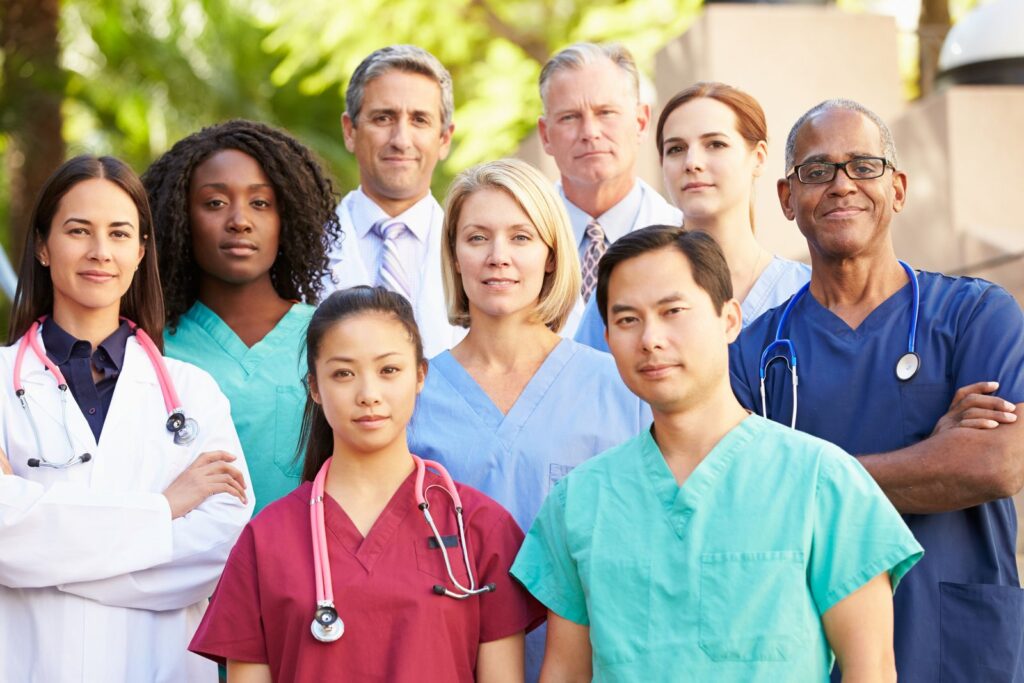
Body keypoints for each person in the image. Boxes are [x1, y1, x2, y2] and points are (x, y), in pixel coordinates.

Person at [512, 226, 923, 681]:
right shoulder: (579, 503)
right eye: (628, 320)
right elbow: (564, 673)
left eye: (673, 311)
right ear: (607, 338)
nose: (650, 339)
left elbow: (872, 670)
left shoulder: (823, 483)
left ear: (730, 320)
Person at [729, 99, 1024, 682]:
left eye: (863, 165)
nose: (842, 185)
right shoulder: (751, 355)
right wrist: (934, 454)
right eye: (817, 171)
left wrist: (798, 479)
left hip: (959, 647)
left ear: (898, 187)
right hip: (814, 654)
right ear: (788, 198)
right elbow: (743, 506)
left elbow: (997, 463)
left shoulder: (976, 315)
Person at [189, 286, 542, 682]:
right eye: (343, 374)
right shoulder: (266, 540)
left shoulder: (479, 528)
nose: (368, 394)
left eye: (389, 370)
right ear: (315, 388)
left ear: (420, 376)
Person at [0, 155, 253, 682]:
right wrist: (164, 508)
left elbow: (216, 552)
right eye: (78, 231)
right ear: (44, 246)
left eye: (119, 233)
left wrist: (39, 550)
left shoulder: (193, 394)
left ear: (140, 251)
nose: (100, 252)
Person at [407, 158, 649, 680]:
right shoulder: (411, 393)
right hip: (447, 661)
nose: (498, 257)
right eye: (477, 238)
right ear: (453, 255)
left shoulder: (620, 388)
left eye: (520, 237)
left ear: (550, 255)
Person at [144, 119, 340, 515]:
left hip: (307, 568)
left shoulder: (331, 336)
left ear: (287, 217)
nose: (239, 220)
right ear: (179, 217)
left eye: (260, 203)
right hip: (187, 571)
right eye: (215, 203)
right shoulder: (151, 346)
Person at [575, 81, 811, 351]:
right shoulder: (622, 286)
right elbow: (582, 386)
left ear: (758, 158)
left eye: (715, 144)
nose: (692, 163)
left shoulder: (807, 292)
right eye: (676, 149)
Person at [323, 45, 461, 356]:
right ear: (350, 131)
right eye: (383, 118)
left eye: (419, 120)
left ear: (444, 139)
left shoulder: (474, 253)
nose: (400, 140)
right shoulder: (306, 248)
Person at [537, 42, 682, 336]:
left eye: (606, 112)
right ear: (545, 135)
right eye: (569, 117)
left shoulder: (682, 232)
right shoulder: (520, 239)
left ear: (641, 122)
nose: (590, 132)